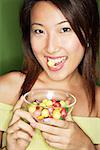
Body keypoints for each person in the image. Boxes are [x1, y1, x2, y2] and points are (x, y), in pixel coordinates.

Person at [0, 0, 100, 149]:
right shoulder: (6, 89)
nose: (51, 48)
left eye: (65, 29)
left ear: (88, 33)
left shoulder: (98, 103)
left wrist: (85, 146)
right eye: (39, 31)